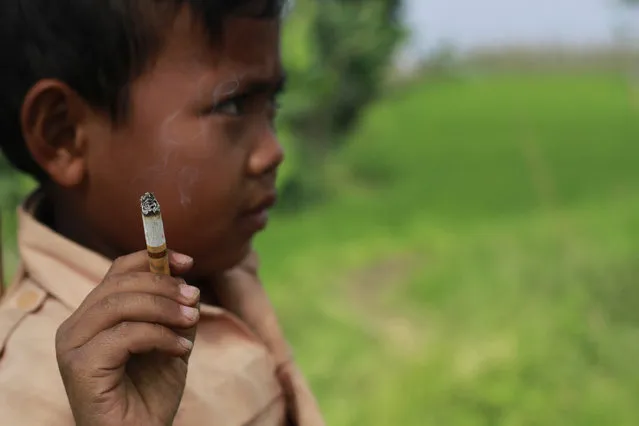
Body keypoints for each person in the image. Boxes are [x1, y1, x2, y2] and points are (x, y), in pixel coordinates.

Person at [0, 0, 325, 425]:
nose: (273, 152)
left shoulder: (219, 269)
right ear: (64, 133)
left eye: (271, 105)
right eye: (232, 105)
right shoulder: (25, 393)